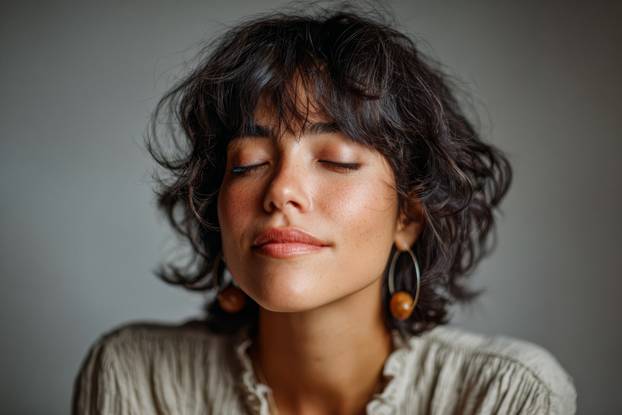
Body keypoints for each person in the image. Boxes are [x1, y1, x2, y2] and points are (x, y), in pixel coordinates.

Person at [72, 4, 576, 415]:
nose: (281, 191)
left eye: (335, 160)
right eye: (248, 163)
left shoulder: (507, 394)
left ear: (410, 216)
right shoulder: (135, 376)